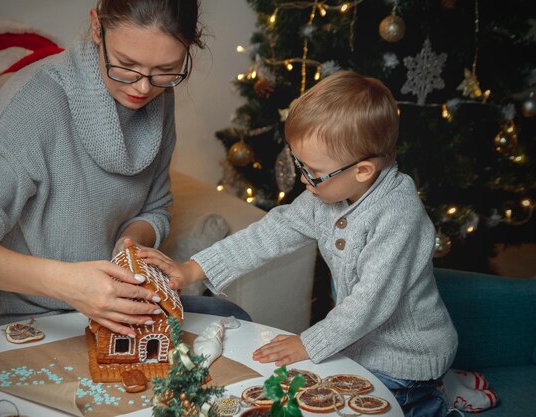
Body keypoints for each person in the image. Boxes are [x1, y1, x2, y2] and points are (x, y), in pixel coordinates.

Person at [140, 71, 458, 417]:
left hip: (405, 362)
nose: (304, 180)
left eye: (313, 171)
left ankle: (440, 401)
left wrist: (306, 342)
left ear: (363, 171)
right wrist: (190, 270)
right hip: (356, 346)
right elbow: (269, 234)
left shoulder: (399, 215)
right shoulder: (325, 195)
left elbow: (370, 302)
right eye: (299, 165)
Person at [0, 0, 249, 336]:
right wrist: (68, 284)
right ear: (97, 27)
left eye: (167, 69)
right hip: (26, 323)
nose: (143, 87)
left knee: (234, 318)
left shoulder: (157, 96)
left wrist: (129, 243)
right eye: (126, 64)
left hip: (110, 307)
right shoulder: (35, 102)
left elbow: (156, 208)